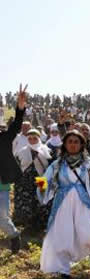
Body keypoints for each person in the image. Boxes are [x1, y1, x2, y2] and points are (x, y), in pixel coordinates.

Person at [39, 130, 90, 279]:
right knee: (62, 235)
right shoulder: (57, 164)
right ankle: (63, 270)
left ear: (81, 145)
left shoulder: (89, 164)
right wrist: (40, 187)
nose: (73, 145)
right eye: (70, 142)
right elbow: (44, 179)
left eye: (76, 142)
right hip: (63, 204)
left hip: (84, 202)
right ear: (65, 145)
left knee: (87, 233)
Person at [0, 84, 27, 253]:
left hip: (2, 185)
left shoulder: (4, 138)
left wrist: (20, 106)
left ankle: (14, 235)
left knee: (2, 218)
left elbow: (17, 124)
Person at [13, 129, 52, 230]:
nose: (32, 140)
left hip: (41, 179)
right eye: (30, 138)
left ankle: (40, 224)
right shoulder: (21, 151)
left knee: (42, 200)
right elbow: (17, 166)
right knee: (26, 201)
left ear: (39, 138)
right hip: (25, 180)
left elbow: (50, 167)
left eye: (35, 138)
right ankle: (28, 224)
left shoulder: (46, 151)